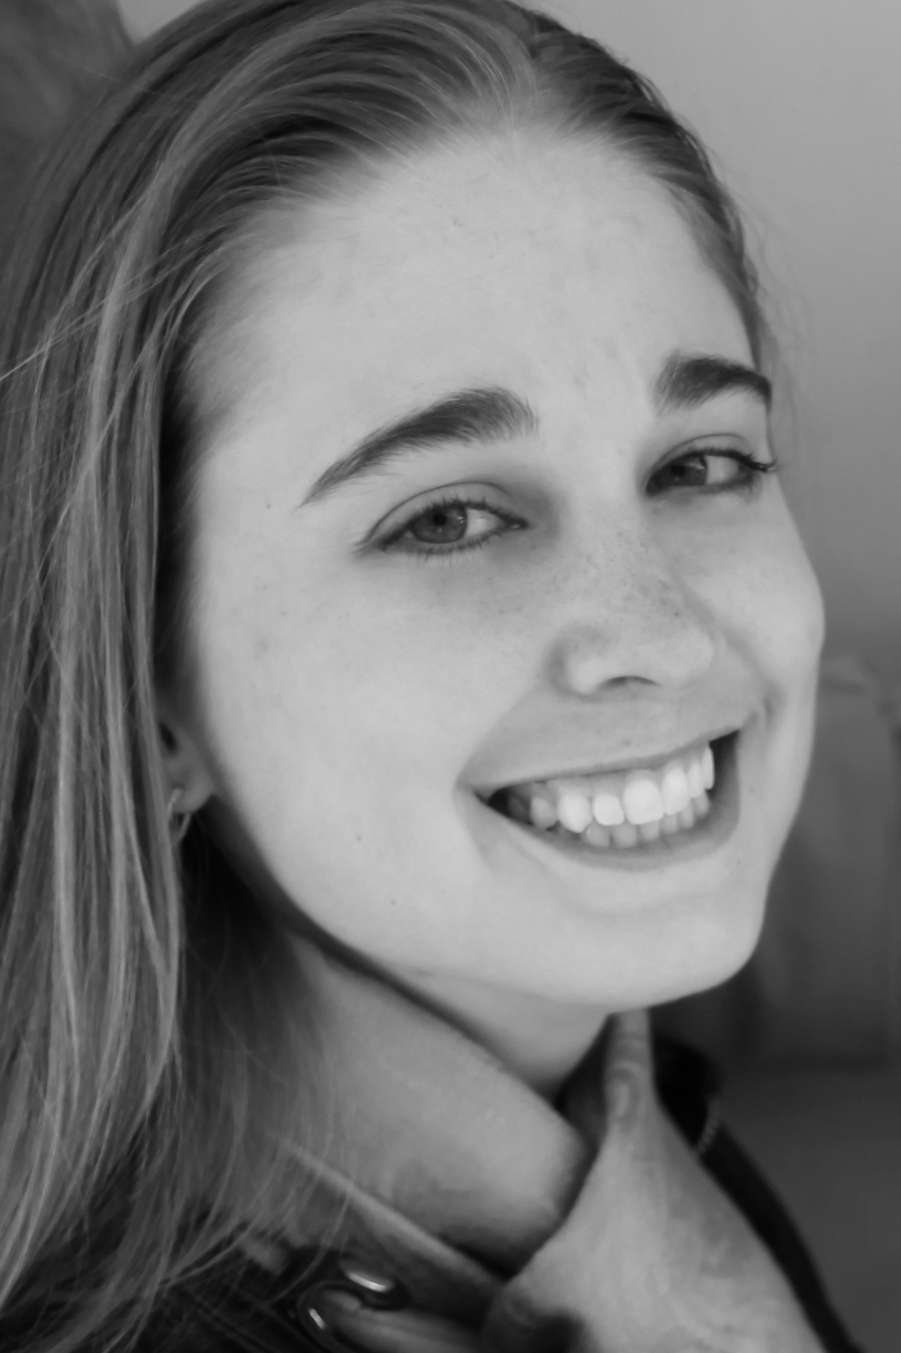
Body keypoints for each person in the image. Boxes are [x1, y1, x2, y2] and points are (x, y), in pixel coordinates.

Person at [0, 1, 862, 1349]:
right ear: (150, 695)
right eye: (447, 518)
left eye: (701, 464)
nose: (662, 634)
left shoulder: (617, 1122)